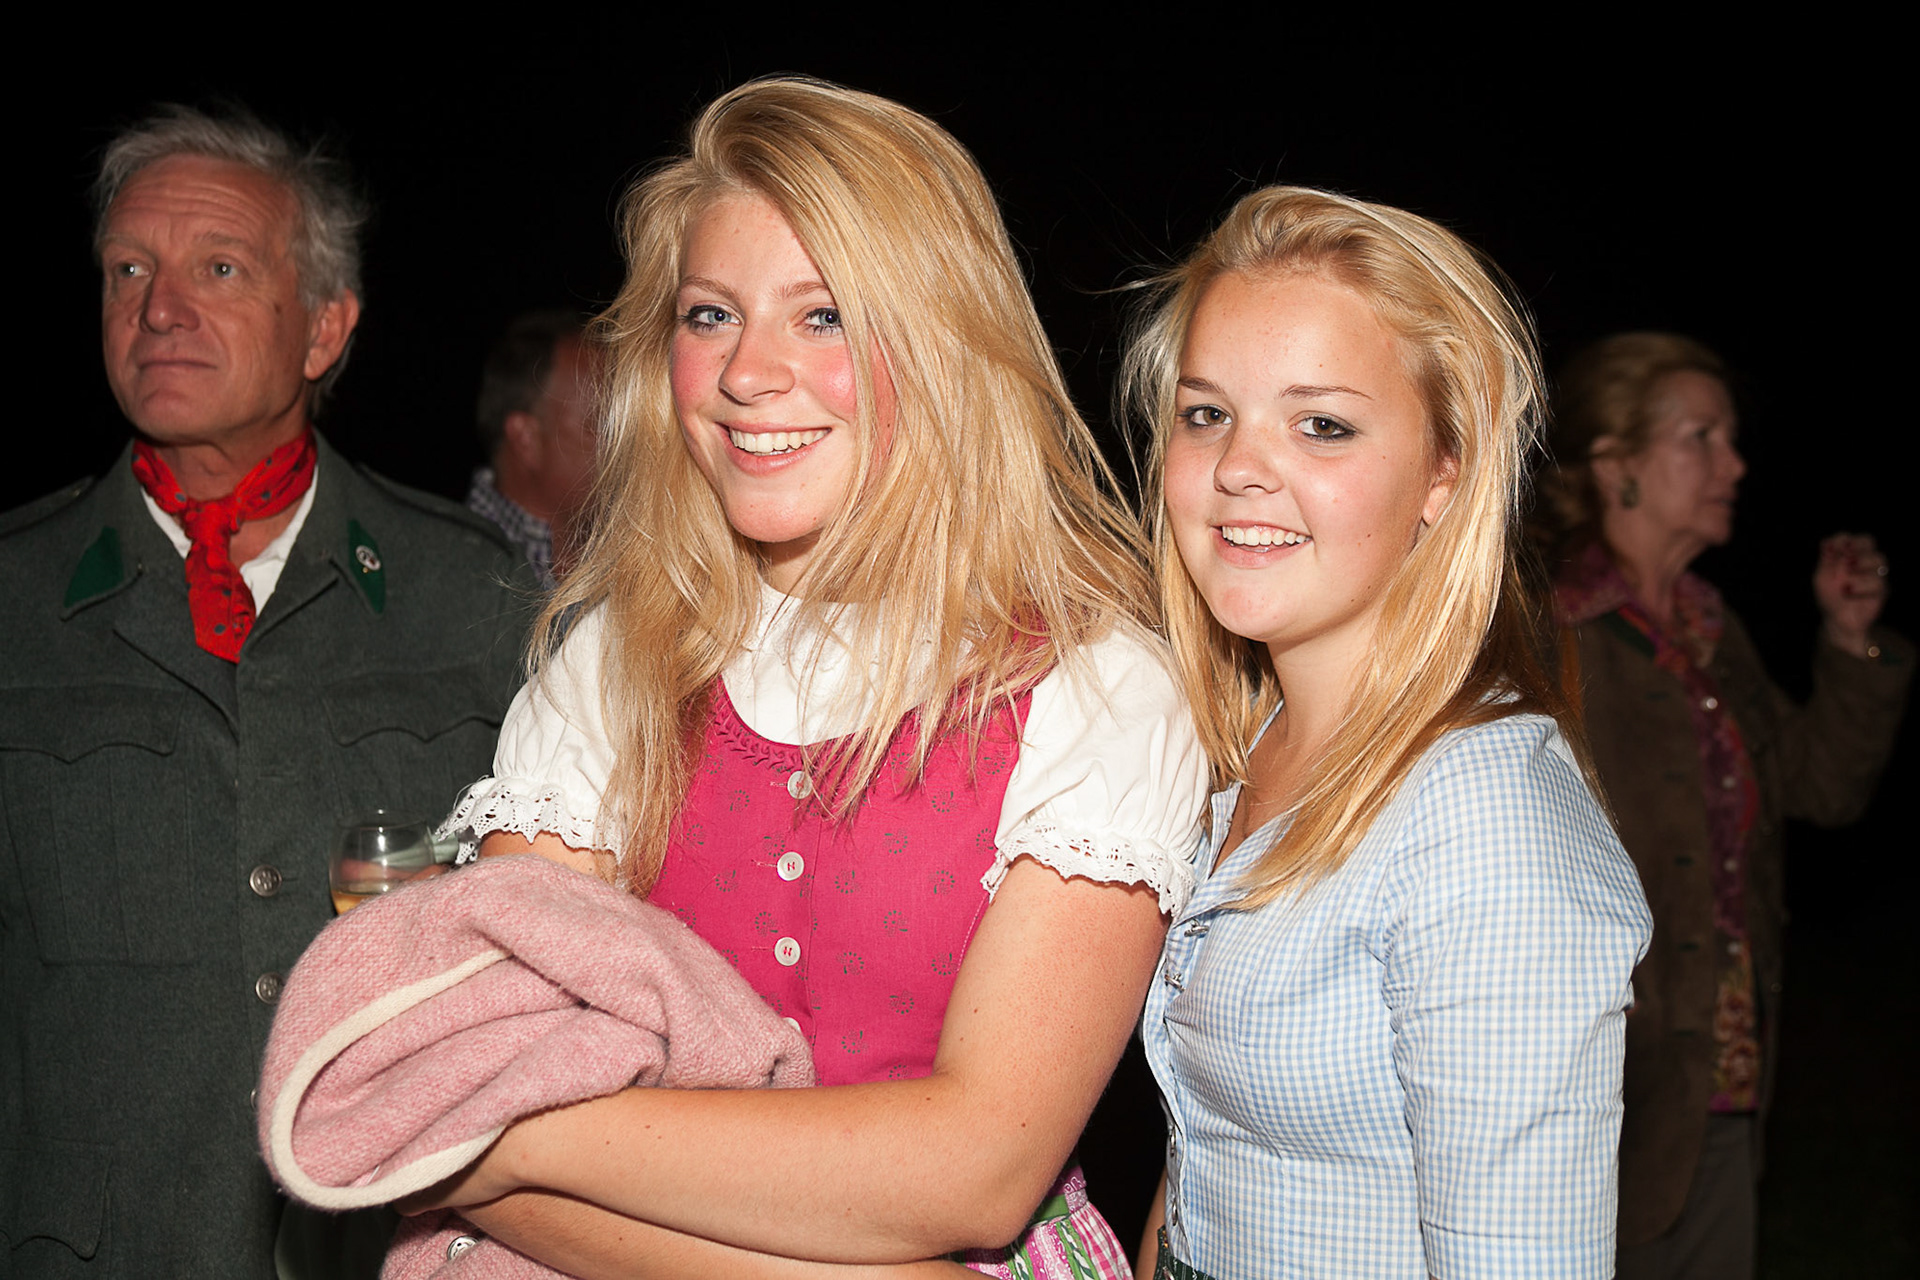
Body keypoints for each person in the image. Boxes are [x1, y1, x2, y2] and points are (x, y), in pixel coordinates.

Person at [416, 78, 1210, 1277]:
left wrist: (507, 1143)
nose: (747, 373)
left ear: (944, 343)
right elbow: (477, 1075)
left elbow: (974, 1172)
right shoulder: (611, 662)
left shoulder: (1098, 685)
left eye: (824, 315)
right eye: (710, 315)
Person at [0, 105, 530, 1277]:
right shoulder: (18, 597)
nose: (159, 309)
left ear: (324, 327)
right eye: (128, 270)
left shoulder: (469, 594)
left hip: (388, 1242)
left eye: (220, 269)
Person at [1123, 186, 1654, 1278]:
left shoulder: (1484, 817)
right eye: (1206, 413)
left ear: (1442, 475)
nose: (1237, 468)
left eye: (1321, 424)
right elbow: (1209, 1149)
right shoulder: (1242, 745)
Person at [1540, 333, 1911, 1279]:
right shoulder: (1545, 632)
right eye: (1701, 437)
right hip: (1600, 1093)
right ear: (1614, 462)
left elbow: (1820, 788)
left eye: (1731, 438)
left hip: (1725, 1069)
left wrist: (1850, 642)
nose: (1735, 465)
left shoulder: (1707, 627)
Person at [467, 310, 599, 588]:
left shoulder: (628, 559)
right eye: (600, 424)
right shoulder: (454, 566)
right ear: (526, 439)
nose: (625, 444)